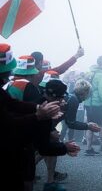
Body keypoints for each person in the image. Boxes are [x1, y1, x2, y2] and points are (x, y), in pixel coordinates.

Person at [0, 43, 62, 190]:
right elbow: (7, 122)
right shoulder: (28, 87)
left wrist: (37, 108)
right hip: (16, 136)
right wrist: (39, 115)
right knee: (24, 175)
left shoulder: (8, 85)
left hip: (13, 134)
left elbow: (12, 103)